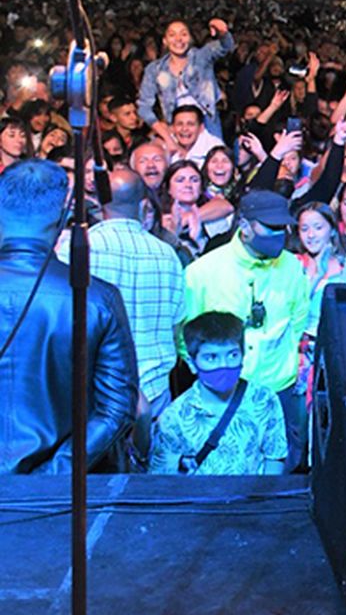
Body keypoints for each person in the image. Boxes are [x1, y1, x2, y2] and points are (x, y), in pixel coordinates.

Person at [0, 160, 138, 473]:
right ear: (64, 216)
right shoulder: (97, 297)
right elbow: (116, 409)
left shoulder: (96, 298)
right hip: (59, 499)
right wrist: (55, 472)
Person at [180, 189, 312, 468]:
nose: (280, 233)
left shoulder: (292, 267)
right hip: (222, 392)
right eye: (271, 227)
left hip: (278, 389)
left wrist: (285, 362)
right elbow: (185, 335)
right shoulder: (203, 272)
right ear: (244, 226)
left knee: (280, 469)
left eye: (284, 227)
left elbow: (298, 319)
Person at [55, 167, 184, 419]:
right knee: (153, 458)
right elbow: (177, 324)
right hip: (155, 389)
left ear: (101, 201)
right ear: (144, 204)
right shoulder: (167, 254)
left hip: (97, 390)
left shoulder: (77, 248)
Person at [149, 312, 288, 475]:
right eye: (211, 358)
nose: (224, 365)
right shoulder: (173, 418)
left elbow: (275, 457)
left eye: (233, 355)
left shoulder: (264, 400)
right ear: (192, 363)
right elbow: (163, 478)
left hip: (252, 498)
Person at [137, 16, 234, 140]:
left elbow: (225, 46)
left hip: (207, 123)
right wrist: (162, 130)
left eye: (183, 34)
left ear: (190, 38)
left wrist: (222, 31)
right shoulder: (154, 69)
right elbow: (144, 106)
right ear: (165, 41)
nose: (178, 39)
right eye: (172, 35)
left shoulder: (201, 56)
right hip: (175, 128)